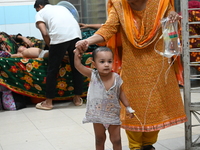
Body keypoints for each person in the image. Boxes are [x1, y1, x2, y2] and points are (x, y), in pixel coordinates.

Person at [75, 0, 187, 150]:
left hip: (157, 67)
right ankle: (135, 146)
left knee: (155, 107)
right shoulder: (119, 5)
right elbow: (108, 28)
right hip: (132, 68)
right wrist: (87, 41)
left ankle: (148, 144)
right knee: (132, 107)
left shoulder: (162, 3)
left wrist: (173, 16)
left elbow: (171, 24)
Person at [74, 46, 135, 150]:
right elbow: (78, 66)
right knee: (99, 139)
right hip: (97, 116)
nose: (106, 64)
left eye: (109, 61)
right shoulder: (93, 75)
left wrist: (128, 107)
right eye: (102, 62)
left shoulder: (116, 77)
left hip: (112, 115)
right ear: (94, 64)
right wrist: (77, 54)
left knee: (116, 140)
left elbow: (121, 93)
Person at [34, 0, 83, 110]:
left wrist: (51, 47)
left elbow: (45, 32)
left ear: (40, 6)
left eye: (37, 9)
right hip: (76, 35)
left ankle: (48, 102)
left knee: (52, 69)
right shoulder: (62, 8)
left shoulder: (40, 13)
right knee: (77, 67)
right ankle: (77, 98)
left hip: (59, 37)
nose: (37, 11)